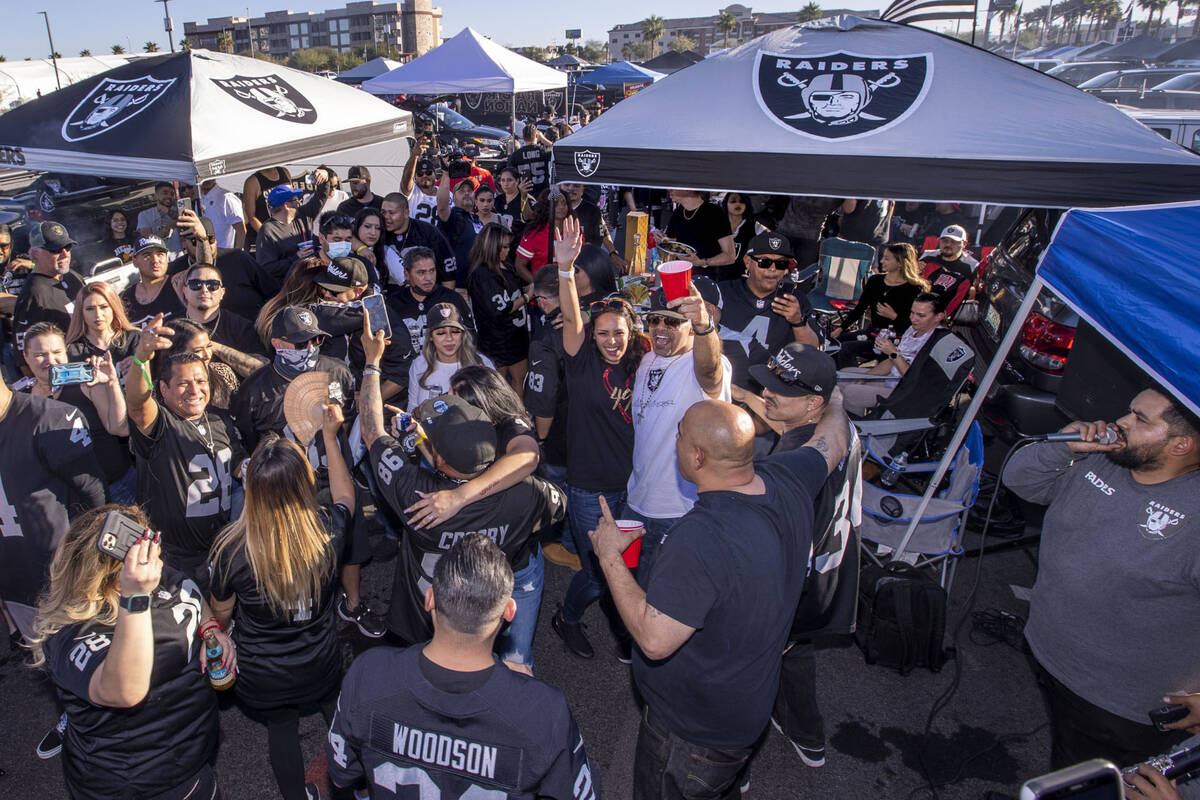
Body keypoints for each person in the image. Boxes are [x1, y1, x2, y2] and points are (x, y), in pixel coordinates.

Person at [590, 395, 850, 799]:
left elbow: (655, 641)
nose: (673, 441)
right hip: (746, 709)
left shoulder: (701, 538)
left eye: (678, 436)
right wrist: (835, 400)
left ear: (697, 456)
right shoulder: (788, 474)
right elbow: (833, 440)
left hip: (692, 733)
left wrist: (609, 557)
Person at [1002, 386, 1200, 770]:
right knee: (1063, 749)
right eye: (1129, 411)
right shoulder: (1104, 460)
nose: (1121, 422)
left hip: (1119, 705)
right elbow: (1019, 480)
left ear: (1181, 446)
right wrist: (1064, 447)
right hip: (1050, 651)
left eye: (1140, 419)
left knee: (1084, 780)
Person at [326, 534, 597, 799]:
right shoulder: (543, 711)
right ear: (509, 611)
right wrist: (519, 690)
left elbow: (342, 773)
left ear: (429, 599)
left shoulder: (369, 675)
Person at [359, 345, 565, 664]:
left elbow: (372, 432)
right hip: (498, 593)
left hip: (430, 609)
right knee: (513, 666)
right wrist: (426, 437)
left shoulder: (418, 496)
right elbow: (556, 502)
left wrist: (372, 362)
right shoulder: (526, 493)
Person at [31, 506, 227, 800]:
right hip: (131, 784)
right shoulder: (73, 632)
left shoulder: (162, 575)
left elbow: (191, 593)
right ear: (114, 573)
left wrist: (211, 629)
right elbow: (125, 691)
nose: (154, 547)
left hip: (189, 762)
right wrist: (135, 598)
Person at [209, 405, 354, 800]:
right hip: (321, 660)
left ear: (252, 488)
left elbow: (220, 615)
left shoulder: (230, 550)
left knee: (282, 729)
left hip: (263, 674)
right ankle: (351, 785)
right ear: (305, 484)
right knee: (338, 717)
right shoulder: (328, 530)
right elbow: (345, 495)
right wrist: (329, 435)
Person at [740, 343, 862, 770]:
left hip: (794, 584)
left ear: (813, 403)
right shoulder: (838, 429)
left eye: (779, 389)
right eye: (767, 383)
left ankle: (737, 764)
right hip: (828, 576)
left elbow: (771, 541)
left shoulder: (793, 459)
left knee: (752, 665)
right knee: (795, 654)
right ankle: (806, 734)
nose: (767, 393)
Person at [551, 217, 649, 661]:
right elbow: (572, 314)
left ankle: (627, 630)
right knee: (597, 572)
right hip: (590, 489)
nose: (611, 340)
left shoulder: (642, 363)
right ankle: (567, 618)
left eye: (619, 333)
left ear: (631, 335)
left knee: (630, 566)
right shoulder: (581, 360)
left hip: (636, 487)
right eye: (603, 333)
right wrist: (566, 268)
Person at [125, 314, 246, 592]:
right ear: (163, 389)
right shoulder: (161, 424)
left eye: (201, 381)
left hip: (221, 547)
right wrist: (141, 358)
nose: (195, 390)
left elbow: (238, 462)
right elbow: (136, 403)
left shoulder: (219, 421)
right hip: (175, 558)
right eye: (183, 384)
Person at [625, 279, 731, 571]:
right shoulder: (648, 360)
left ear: (690, 327)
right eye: (655, 320)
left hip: (678, 510)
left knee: (661, 594)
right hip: (636, 498)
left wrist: (704, 326)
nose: (661, 327)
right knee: (623, 585)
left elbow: (711, 372)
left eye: (673, 322)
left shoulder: (700, 365)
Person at [0, 364, 105, 644]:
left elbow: (95, 498)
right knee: (42, 665)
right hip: (13, 585)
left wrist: (88, 569)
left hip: (63, 582)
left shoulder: (48, 418)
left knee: (82, 666)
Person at [717, 232, 819, 388]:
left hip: (769, 387)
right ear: (747, 261)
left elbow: (812, 352)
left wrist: (797, 322)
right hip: (720, 380)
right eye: (764, 262)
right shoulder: (722, 292)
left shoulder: (795, 300)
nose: (773, 269)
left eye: (781, 264)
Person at [839, 292, 946, 415]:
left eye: (921, 315)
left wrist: (893, 353)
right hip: (893, 379)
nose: (913, 318)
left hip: (907, 392)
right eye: (912, 313)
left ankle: (858, 427)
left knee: (851, 392)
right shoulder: (912, 330)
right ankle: (855, 422)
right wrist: (867, 376)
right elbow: (891, 362)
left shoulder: (935, 341)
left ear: (938, 317)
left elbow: (913, 379)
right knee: (843, 377)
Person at [831, 242, 930, 367]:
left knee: (846, 348)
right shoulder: (875, 280)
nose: (882, 261)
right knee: (834, 344)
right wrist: (841, 328)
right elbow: (860, 309)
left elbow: (917, 324)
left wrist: (894, 316)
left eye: (887, 259)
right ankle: (842, 376)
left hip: (894, 339)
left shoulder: (915, 289)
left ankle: (852, 380)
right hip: (872, 332)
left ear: (900, 263)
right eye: (883, 257)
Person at [466, 223, 528, 398]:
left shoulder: (506, 264)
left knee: (519, 382)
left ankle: (520, 419)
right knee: (495, 389)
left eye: (509, 246)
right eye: (504, 247)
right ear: (492, 247)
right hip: (496, 341)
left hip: (517, 336)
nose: (508, 250)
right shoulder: (482, 274)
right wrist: (527, 297)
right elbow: (501, 309)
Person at [406, 303, 494, 411]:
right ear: (430, 337)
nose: (449, 338)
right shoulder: (419, 365)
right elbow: (411, 408)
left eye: (455, 331)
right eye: (441, 333)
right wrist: (419, 412)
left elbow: (495, 408)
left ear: (463, 335)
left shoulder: (482, 364)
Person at [387, 246, 474, 354]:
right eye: (421, 273)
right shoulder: (393, 304)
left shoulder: (451, 299)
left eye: (432, 271)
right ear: (407, 275)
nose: (428, 278)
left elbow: (470, 338)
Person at [12, 221, 85, 350]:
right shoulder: (33, 294)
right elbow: (24, 358)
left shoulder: (73, 277)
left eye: (68, 247)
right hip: (66, 366)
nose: (65, 254)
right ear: (35, 254)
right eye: (55, 250)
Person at [255, 174, 332, 287]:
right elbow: (267, 268)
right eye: (296, 200)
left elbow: (321, 196)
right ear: (286, 205)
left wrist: (324, 178)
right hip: (288, 288)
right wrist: (296, 258)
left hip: (312, 280)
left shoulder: (303, 215)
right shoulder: (267, 231)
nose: (299, 202)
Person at [181, 263, 266, 357]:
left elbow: (263, 365)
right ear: (184, 290)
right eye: (196, 284)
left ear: (222, 292)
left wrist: (214, 347)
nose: (204, 290)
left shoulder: (241, 327)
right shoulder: (171, 326)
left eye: (213, 285)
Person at [379, 192, 458, 289]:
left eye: (392, 213)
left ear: (406, 213)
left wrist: (445, 300)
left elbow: (448, 274)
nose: (386, 217)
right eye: (383, 212)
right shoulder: (377, 231)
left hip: (426, 295)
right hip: (391, 297)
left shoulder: (428, 232)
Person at [664, 190, 735, 282]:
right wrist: (663, 239)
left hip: (707, 280)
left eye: (674, 187)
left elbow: (730, 256)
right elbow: (671, 244)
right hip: (681, 274)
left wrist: (702, 262)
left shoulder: (714, 212)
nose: (669, 190)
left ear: (689, 189)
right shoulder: (678, 212)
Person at [65, 281, 139, 367]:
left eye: (104, 307)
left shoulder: (134, 338)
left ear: (114, 308)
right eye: (90, 309)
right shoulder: (72, 350)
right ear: (81, 313)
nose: (98, 314)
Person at [120, 236, 184, 326]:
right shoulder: (125, 298)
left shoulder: (179, 285)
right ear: (134, 261)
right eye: (147, 255)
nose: (155, 260)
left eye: (160, 254)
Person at [515, 188, 570, 282]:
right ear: (547, 206)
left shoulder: (574, 231)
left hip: (570, 289)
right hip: (544, 293)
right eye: (555, 203)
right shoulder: (534, 233)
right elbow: (519, 265)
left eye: (564, 203)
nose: (561, 207)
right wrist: (538, 286)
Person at [920, 224, 979, 307]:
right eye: (945, 241)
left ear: (964, 244)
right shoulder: (926, 255)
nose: (948, 244)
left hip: (947, 306)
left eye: (953, 241)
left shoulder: (972, 266)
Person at [436, 171, 478, 286]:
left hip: (477, 286)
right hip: (458, 287)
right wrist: (445, 174)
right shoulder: (453, 216)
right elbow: (442, 207)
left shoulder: (476, 219)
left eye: (470, 191)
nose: (466, 193)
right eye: (461, 191)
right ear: (453, 198)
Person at [241, 166, 292, 252]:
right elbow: (251, 217)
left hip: (286, 232)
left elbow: (291, 201)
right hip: (264, 239)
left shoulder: (284, 172)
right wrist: (271, 235)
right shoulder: (252, 182)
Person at [135, 182, 181, 255]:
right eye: (165, 193)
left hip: (178, 256)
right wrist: (169, 226)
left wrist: (169, 212)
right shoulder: (144, 214)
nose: (169, 196)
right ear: (155, 196)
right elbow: (148, 240)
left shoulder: (178, 212)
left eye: (172, 194)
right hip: (157, 259)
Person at [200, 178, 246, 250]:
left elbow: (241, 231)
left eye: (209, 178)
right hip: (208, 254)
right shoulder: (199, 200)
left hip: (226, 253)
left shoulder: (227, 197)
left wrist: (236, 254)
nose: (206, 180)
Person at [724, 192, 767, 269]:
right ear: (726, 204)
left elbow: (770, 242)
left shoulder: (756, 227)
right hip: (716, 275)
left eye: (742, 201)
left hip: (743, 276)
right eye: (733, 201)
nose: (738, 204)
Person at [507, 123, 551, 196]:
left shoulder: (516, 155)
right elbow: (557, 149)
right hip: (543, 193)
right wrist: (543, 139)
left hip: (524, 192)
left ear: (523, 137)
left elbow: (509, 175)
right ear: (537, 136)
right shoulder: (544, 151)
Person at [402, 145, 442, 225]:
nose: (424, 176)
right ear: (415, 177)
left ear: (435, 175)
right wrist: (414, 156)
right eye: (420, 174)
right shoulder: (412, 192)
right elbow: (406, 180)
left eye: (428, 173)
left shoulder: (446, 194)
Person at [493, 167, 532, 233]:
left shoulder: (527, 198)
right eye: (503, 180)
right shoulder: (497, 200)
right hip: (499, 239)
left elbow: (530, 218)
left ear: (517, 181)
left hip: (518, 240)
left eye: (509, 180)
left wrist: (524, 196)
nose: (506, 184)